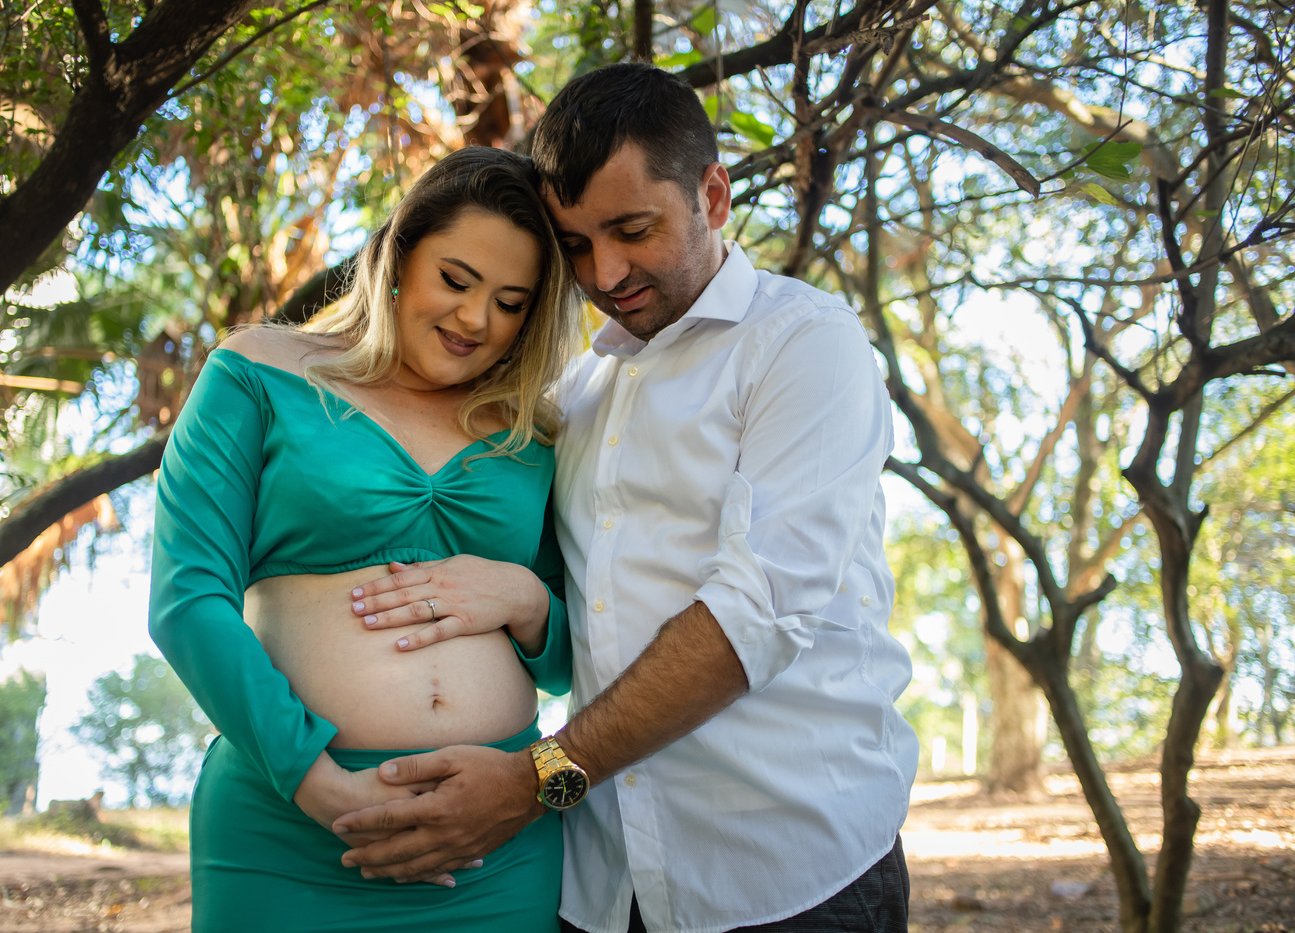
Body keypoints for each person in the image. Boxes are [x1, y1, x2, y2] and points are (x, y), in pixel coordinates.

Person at [336, 63, 919, 933]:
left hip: (791, 878)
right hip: (605, 886)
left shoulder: (804, 344)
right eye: (575, 245)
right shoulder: (579, 393)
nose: (605, 272)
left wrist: (534, 781)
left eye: (632, 229)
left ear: (712, 195)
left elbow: (756, 611)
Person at [147, 146, 583, 932]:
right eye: (455, 279)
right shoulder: (260, 372)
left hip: (494, 843)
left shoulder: (535, 432)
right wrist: (321, 787)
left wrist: (525, 599)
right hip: (288, 830)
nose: (475, 319)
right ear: (397, 255)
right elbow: (188, 599)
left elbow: (570, 659)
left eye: (510, 302)